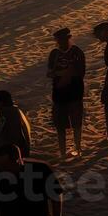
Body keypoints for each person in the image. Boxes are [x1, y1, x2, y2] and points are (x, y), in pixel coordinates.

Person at [0, 142, 63, 216]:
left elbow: (56, 195)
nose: (2, 169)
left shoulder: (40, 169)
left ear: (17, 160)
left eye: (5, 166)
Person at [46, 28, 85, 159]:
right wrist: (63, 73)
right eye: (59, 40)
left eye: (63, 39)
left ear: (69, 38)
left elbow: (80, 73)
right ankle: (63, 153)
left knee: (76, 123)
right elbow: (50, 73)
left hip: (75, 92)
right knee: (60, 125)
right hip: (59, 94)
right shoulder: (54, 54)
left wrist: (65, 74)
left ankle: (78, 149)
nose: (61, 42)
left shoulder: (77, 52)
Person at [0, 91, 31, 158]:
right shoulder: (16, 111)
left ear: (0, 103)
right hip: (23, 156)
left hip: (14, 158)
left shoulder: (6, 115)